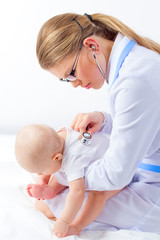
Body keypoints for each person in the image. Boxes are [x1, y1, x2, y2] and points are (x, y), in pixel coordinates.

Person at [35, 12, 160, 233]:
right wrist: (104, 120)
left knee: (50, 203)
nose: (73, 84)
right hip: (145, 170)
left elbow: (116, 174)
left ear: (91, 46)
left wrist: (68, 173)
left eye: (71, 74)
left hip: (153, 193)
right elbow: (148, 123)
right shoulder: (136, 63)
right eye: (67, 80)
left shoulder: (134, 79)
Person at [15, 124, 121, 238]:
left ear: (57, 157)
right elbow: (56, 164)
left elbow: (77, 193)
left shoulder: (73, 160)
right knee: (59, 170)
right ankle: (50, 189)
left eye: (41, 171)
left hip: (116, 171)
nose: (39, 174)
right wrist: (43, 179)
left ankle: (77, 226)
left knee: (98, 195)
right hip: (90, 160)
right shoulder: (58, 136)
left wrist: (64, 221)